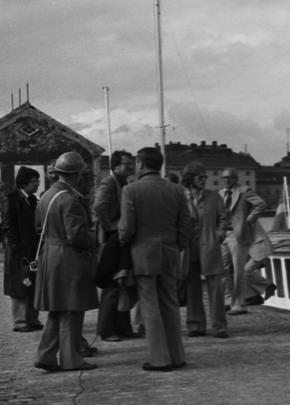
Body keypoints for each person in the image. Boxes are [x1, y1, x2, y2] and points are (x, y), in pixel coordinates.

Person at [119, 145, 192, 372]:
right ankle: (177, 356)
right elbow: (185, 226)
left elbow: (126, 228)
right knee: (170, 303)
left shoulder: (131, 190)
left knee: (149, 305)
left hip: (143, 254)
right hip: (169, 252)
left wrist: (122, 244)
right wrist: (176, 245)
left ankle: (159, 359)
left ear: (140, 164)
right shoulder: (177, 190)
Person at [32, 153, 99, 373]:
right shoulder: (70, 199)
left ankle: (46, 355)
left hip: (50, 254)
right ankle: (72, 359)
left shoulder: (46, 195)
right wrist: (94, 238)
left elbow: (39, 228)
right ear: (76, 174)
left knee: (57, 309)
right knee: (72, 308)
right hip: (68, 257)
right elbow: (76, 236)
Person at [180, 162, 230, 338]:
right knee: (192, 287)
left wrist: (219, 236)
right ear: (190, 178)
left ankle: (219, 326)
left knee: (216, 287)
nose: (204, 180)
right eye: (200, 177)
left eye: (205, 176)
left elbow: (223, 220)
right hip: (188, 248)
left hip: (209, 245)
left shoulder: (214, 197)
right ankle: (195, 325)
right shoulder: (179, 197)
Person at [92, 150, 137, 342]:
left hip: (120, 237)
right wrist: (109, 225)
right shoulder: (109, 183)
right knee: (112, 284)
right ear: (116, 165)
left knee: (122, 282)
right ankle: (106, 330)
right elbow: (98, 206)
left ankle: (123, 327)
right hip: (111, 239)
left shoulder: (124, 183)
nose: (131, 166)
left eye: (131, 163)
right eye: (127, 163)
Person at [3, 167, 43, 332]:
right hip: (19, 252)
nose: (37, 184)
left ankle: (32, 319)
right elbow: (8, 226)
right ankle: (19, 321)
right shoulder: (12, 200)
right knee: (19, 285)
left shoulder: (32, 200)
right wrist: (18, 247)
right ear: (24, 183)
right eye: (34, 181)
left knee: (32, 283)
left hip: (32, 249)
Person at [220, 168, 266, 314]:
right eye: (224, 178)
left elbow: (261, 204)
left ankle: (239, 304)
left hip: (237, 235)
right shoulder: (221, 194)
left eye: (229, 178)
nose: (226, 180)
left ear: (235, 178)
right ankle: (228, 300)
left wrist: (249, 219)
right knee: (222, 269)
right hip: (223, 235)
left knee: (238, 271)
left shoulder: (244, 191)